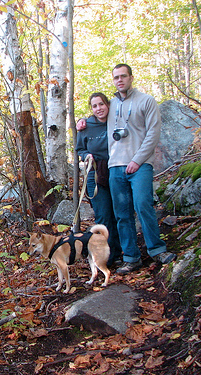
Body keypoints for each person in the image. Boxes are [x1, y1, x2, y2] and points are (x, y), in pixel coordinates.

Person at [107, 63, 176, 275]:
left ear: (131, 77)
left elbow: (153, 134)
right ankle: (131, 257)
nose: (120, 80)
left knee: (144, 204)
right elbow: (96, 118)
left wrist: (137, 160)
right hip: (115, 167)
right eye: (116, 77)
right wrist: (82, 122)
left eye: (123, 76)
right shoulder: (109, 105)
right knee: (122, 214)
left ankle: (157, 250)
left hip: (140, 165)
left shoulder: (146, 101)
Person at [75, 92, 122, 266]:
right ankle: (106, 257)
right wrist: (87, 155)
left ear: (107, 105)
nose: (98, 109)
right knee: (103, 216)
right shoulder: (86, 126)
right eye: (94, 106)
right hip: (95, 174)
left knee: (120, 213)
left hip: (117, 169)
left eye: (101, 104)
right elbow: (80, 149)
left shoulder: (115, 120)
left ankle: (120, 253)